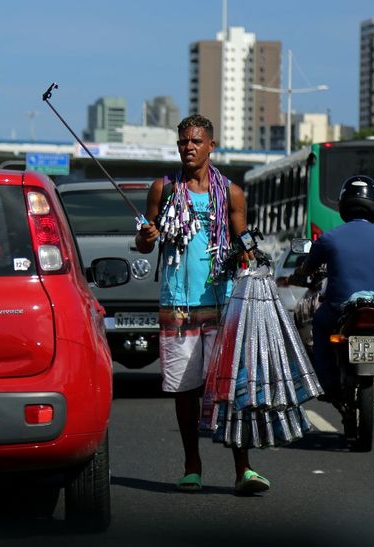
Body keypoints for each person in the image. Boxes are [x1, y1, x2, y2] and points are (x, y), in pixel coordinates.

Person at [135, 114, 269, 495]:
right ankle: (191, 464)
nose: (188, 148)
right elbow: (145, 242)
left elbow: (242, 239)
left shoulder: (232, 193)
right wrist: (146, 236)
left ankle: (244, 468)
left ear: (211, 145)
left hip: (223, 304)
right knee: (185, 390)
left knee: (230, 387)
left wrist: (253, 258)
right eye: (182, 142)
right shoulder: (163, 188)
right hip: (178, 306)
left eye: (195, 141)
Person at [294, 175, 374, 417]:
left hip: (339, 307)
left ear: (343, 204)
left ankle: (326, 382)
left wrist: (301, 274)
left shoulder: (328, 237)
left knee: (320, 323)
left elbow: (306, 268)